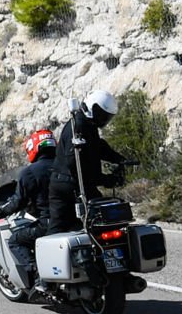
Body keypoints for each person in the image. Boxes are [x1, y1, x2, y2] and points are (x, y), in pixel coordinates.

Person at [47, 88, 127, 230]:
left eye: (106, 117)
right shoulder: (78, 126)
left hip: (78, 184)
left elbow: (98, 146)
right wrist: (103, 179)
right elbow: (76, 165)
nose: (104, 120)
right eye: (102, 115)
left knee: (101, 217)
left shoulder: (88, 125)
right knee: (58, 228)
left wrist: (119, 159)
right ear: (92, 107)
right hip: (66, 185)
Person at [0, 129, 57, 282]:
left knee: (15, 241)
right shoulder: (67, 166)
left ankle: (38, 275)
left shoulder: (30, 172)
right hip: (75, 220)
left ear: (34, 147)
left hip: (49, 224)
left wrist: (3, 210)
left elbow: (19, 201)